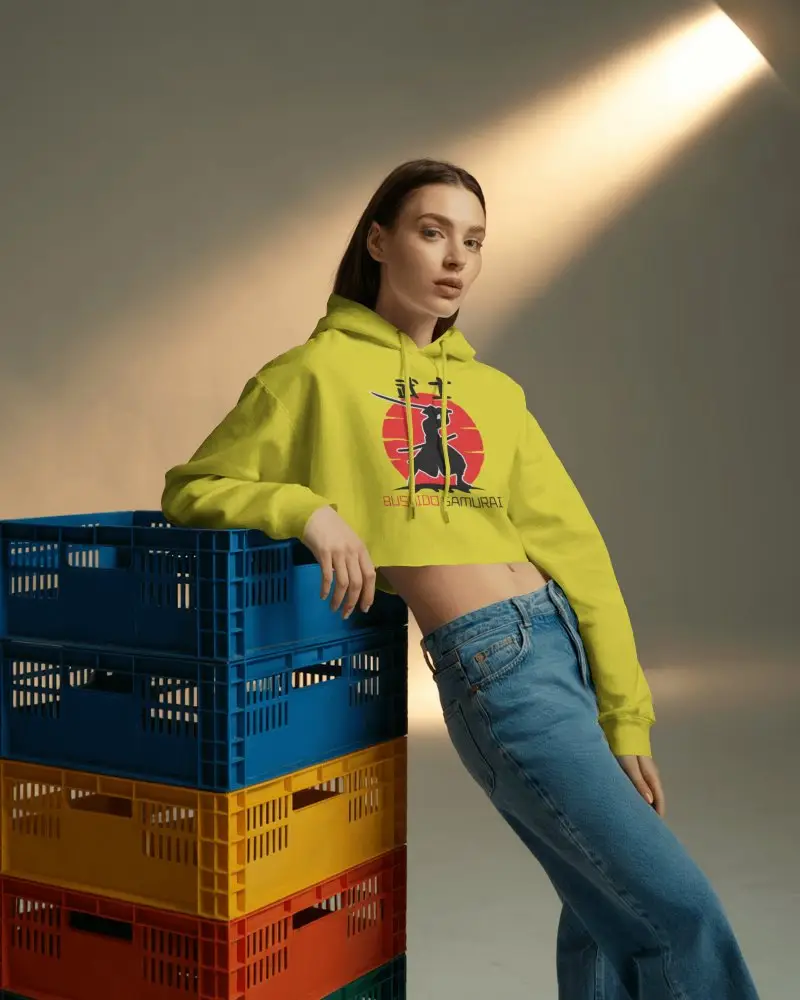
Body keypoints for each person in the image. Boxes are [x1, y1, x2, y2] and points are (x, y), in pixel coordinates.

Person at [161, 158, 760, 999]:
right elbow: (191, 489)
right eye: (431, 232)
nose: (455, 260)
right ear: (378, 240)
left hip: (564, 648)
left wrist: (627, 715)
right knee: (676, 912)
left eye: (472, 242)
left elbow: (578, 551)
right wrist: (306, 509)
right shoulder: (311, 377)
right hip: (497, 669)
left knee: (600, 913)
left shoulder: (495, 394)